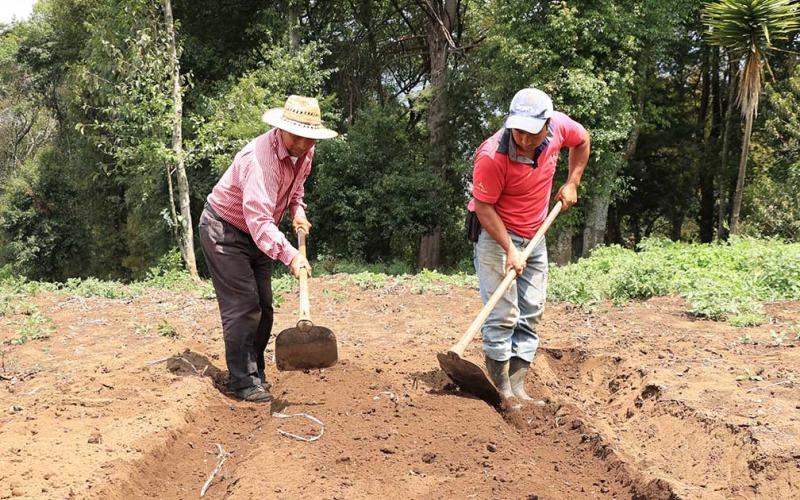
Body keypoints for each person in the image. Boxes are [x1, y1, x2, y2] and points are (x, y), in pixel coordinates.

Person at [199, 95, 337, 403]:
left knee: (264, 308)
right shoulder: (259, 160)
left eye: (309, 138)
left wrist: (297, 210)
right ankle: (242, 381)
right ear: (282, 129)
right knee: (243, 307)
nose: (303, 144)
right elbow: (258, 219)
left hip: (261, 233)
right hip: (225, 230)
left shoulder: (305, 152)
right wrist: (291, 255)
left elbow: (295, 189)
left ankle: (255, 373)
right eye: (297, 136)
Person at [468, 87, 590, 406]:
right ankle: (502, 390)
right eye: (518, 131)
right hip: (497, 236)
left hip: (536, 233)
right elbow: (483, 207)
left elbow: (583, 140)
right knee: (503, 313)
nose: (523, 139)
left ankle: (519, 386)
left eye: (531, 133)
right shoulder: (491, 156)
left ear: (548, 125)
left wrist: (572, 181)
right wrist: (510, 248)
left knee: (531, 309)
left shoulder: (561, 126)